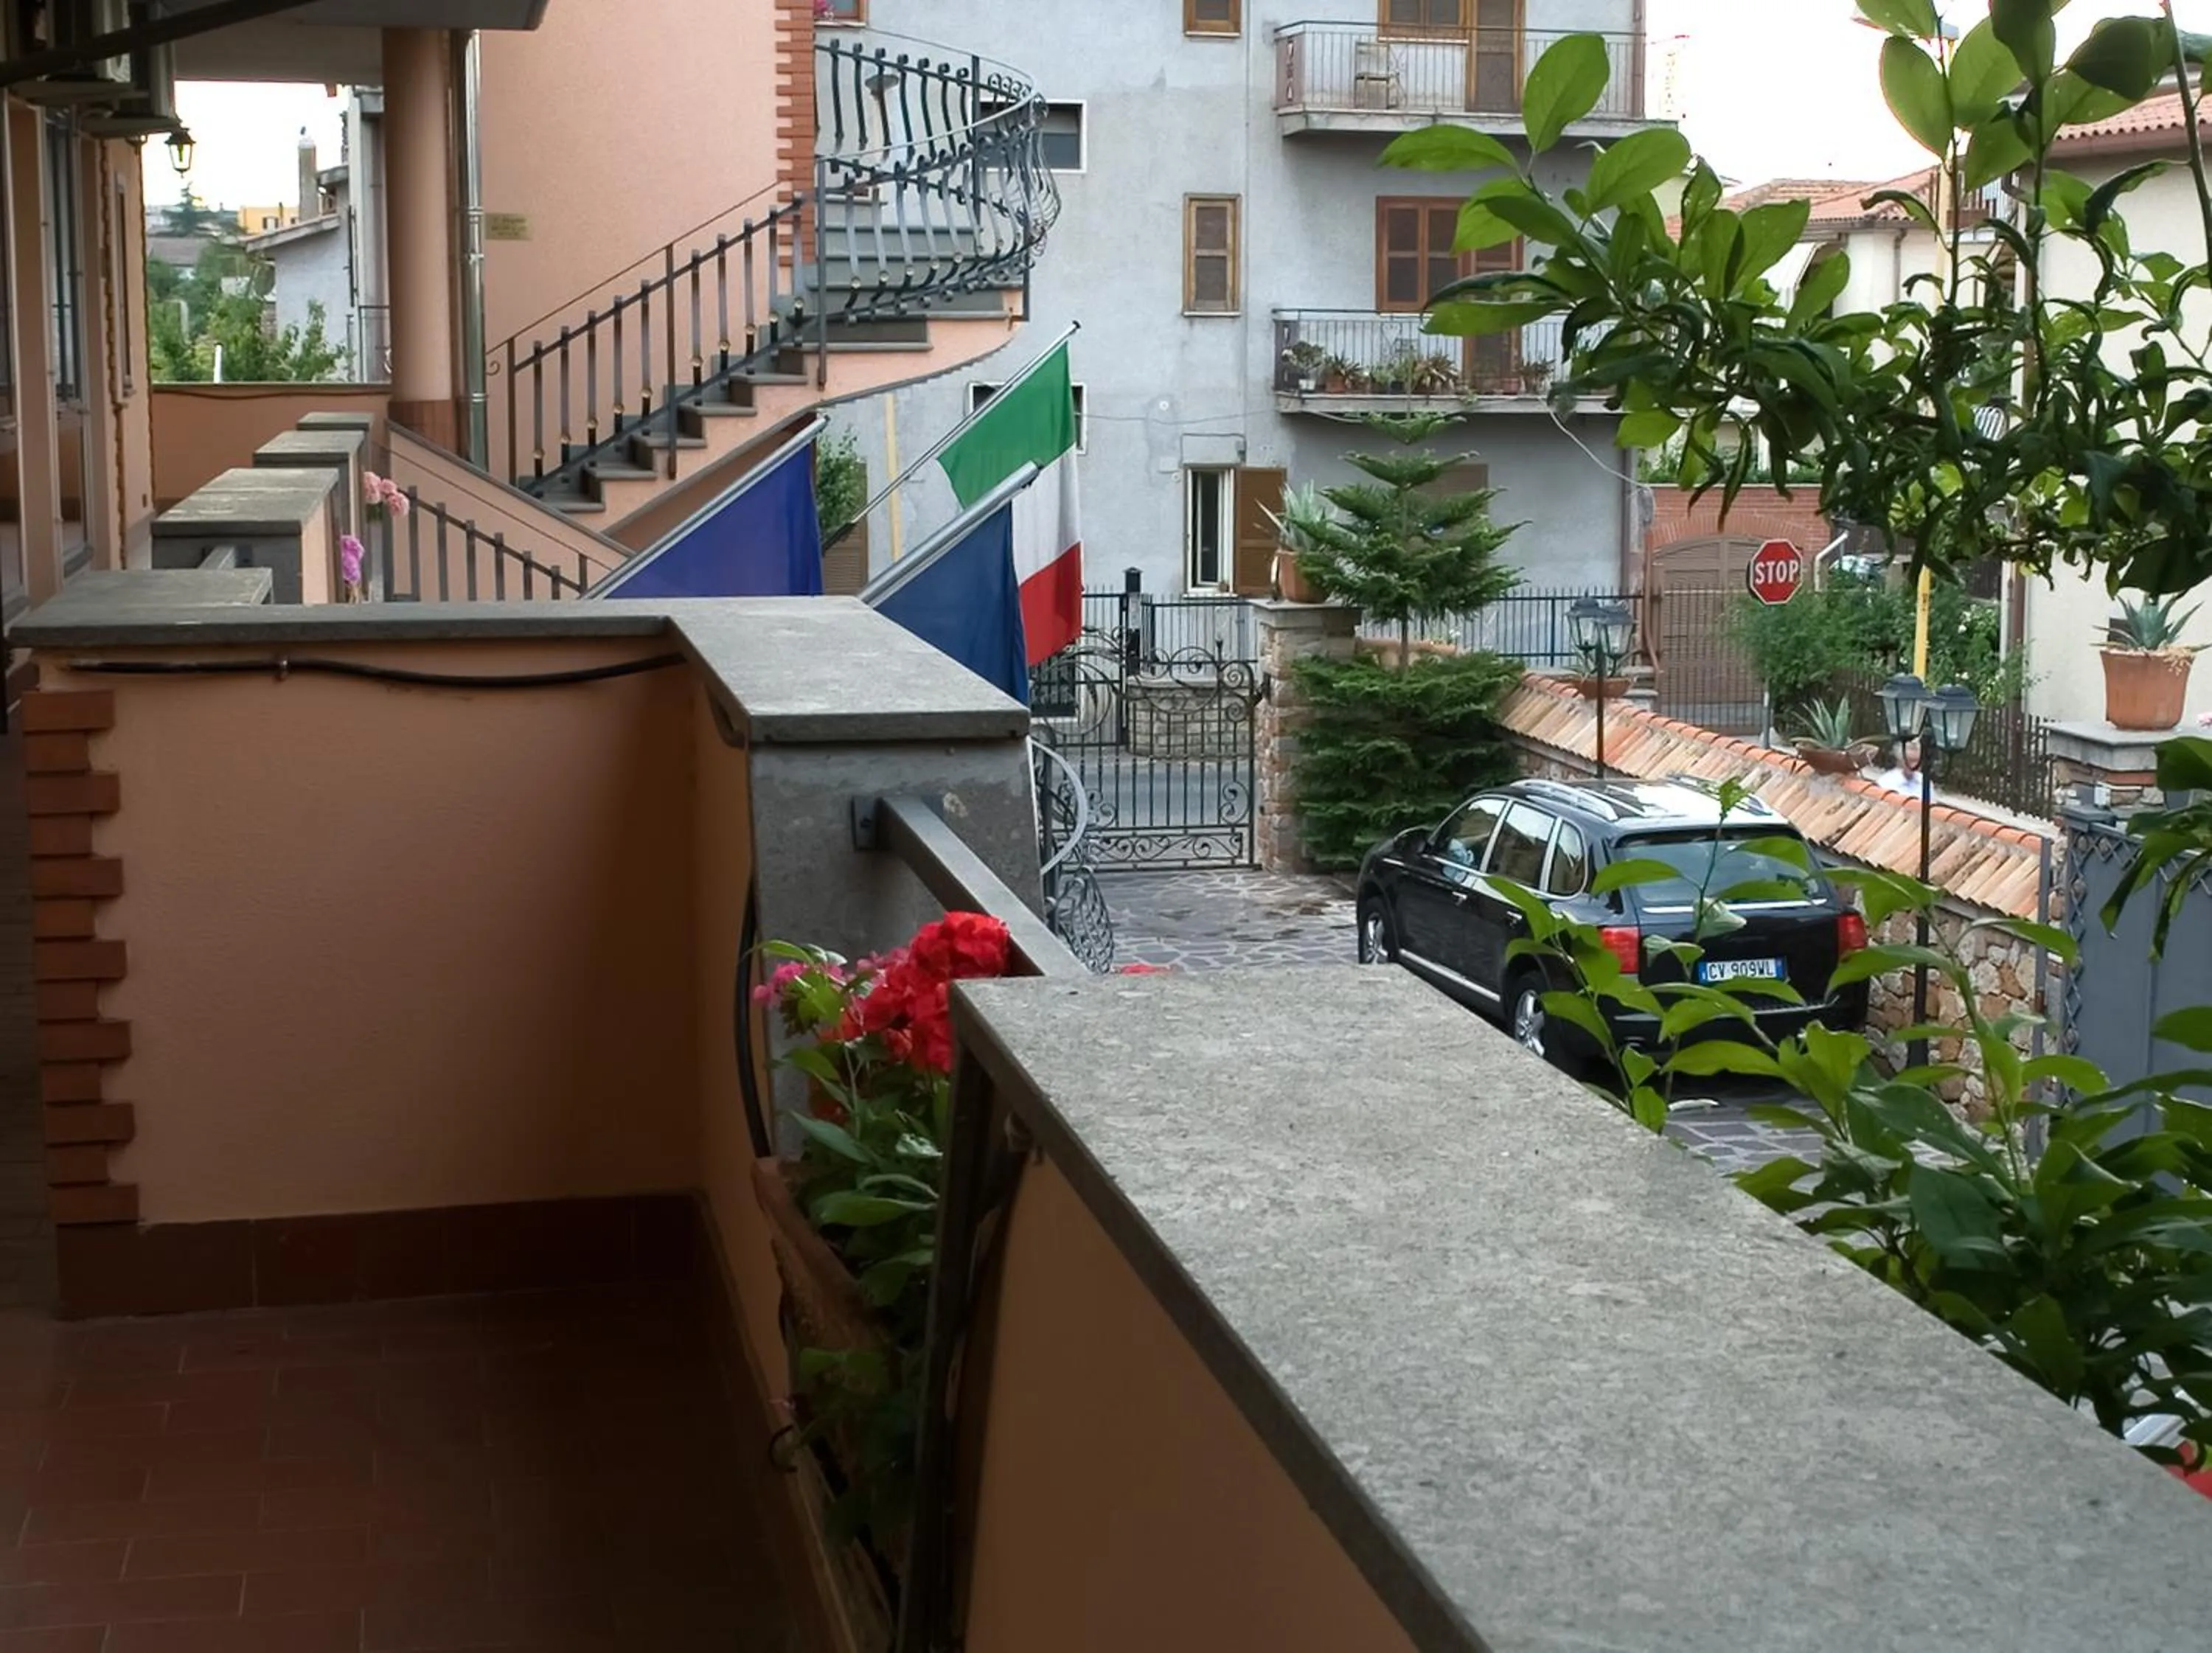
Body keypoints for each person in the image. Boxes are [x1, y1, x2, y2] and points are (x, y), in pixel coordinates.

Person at [1871, 735, 1934, 804]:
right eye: (1910, 760)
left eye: (1917, 761)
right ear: (1900, 760)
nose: (1914, 765)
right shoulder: (1886, 783)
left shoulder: (1926, 783)